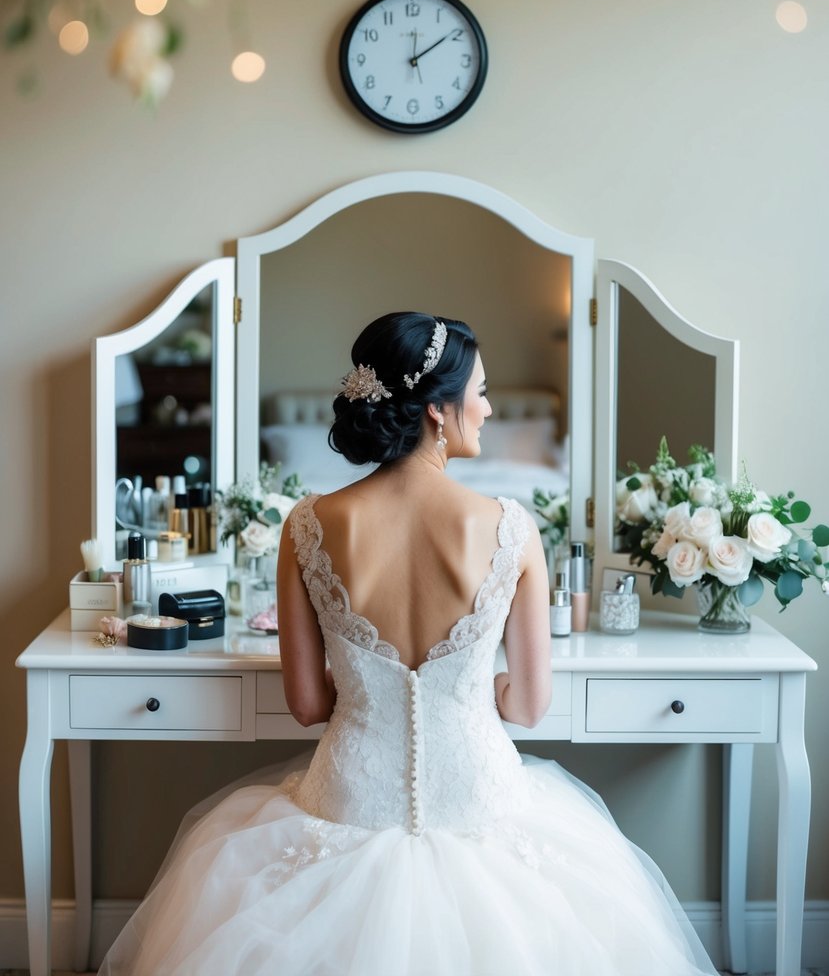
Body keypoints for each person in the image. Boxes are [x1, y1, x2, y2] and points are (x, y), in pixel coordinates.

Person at [99, 312, 717, 976]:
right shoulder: (512, 528)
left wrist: (373, 690)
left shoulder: (306, 525)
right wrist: (477, 687)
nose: (486, 407)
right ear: (435, 409)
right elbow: (528, 706)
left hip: (345, 802)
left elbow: (307, 705)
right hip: (479, 800)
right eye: (478, 391)